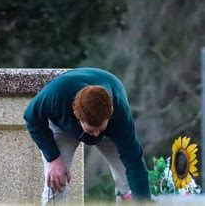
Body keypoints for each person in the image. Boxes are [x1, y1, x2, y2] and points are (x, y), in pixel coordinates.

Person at [23, 67, 150, 204]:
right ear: (77, 116)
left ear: (110, 114)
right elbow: (31, 117)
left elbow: (135, 163)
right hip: (63, 126)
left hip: (110, 131)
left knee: (128, 183)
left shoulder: (120, 114)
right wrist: (53, 158)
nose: (95, 135)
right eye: (91, 130)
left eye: (100, 128)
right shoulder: (56, 94)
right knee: (56, 180)